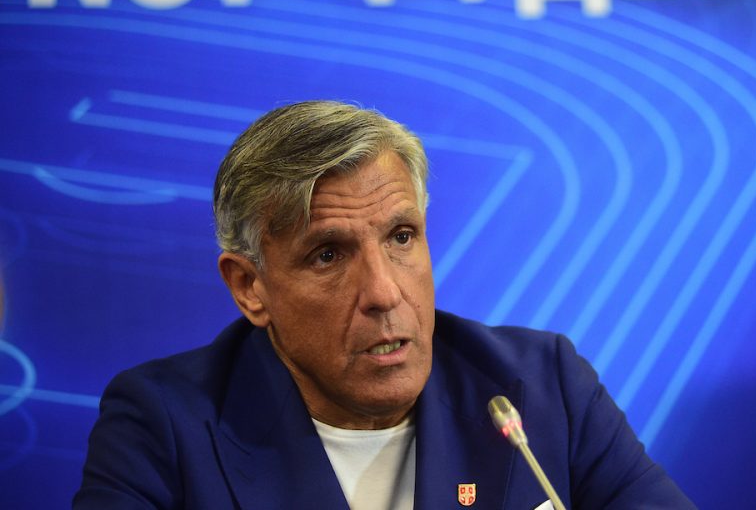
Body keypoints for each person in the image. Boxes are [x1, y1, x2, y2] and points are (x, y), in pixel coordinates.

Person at [74, 101, 695, 509]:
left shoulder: (541, 388)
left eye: (401, 237)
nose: (383, 292)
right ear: (249, 287)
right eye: (327, 254)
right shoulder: (164, 427)